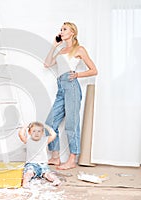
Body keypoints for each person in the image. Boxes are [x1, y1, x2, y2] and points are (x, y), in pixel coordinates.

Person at [43, 22, 98, 170]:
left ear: (72, 32)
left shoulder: (79, 49)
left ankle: (72, 159)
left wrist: (78, 74)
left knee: (71, 124)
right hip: (60, 88)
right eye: (60, 29)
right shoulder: (61, 50)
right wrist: (54, 45)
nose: (61, 31)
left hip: (72, 87)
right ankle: (55, 157)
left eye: (64, 29)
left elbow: (94, 70)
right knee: (50, 123)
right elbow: (47, 63)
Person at [18, 122, 61, 188]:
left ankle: (56, 180)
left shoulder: (45, 140)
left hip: (43, 164)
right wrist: (25, 127)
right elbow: (20, 134)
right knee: (28, 174)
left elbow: (54, 134)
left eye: (39, 131)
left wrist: (46, 126)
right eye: (34, 131)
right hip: (31, 164)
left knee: (48, 174)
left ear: (42, 132)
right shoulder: (28, 140)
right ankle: (25, 183)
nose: (36, 133)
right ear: (29, 132)